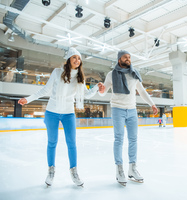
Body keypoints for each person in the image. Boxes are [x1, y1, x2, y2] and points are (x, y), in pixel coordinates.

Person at [18, 47, 104, 187]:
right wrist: (28, 99)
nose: (77, 60)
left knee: (72, 143)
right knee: (52, 142)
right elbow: (45, 89)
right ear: (69, 59)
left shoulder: (80, 78)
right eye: (74, 57)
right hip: (52, 112)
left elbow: (86, 95)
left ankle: (74, 172)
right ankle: (51, 172)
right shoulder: (57, 72)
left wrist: (96, 88)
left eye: (79, 58)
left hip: (68, 113)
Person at [99, 50, 158, 186]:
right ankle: (119, 170)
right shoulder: (111, 74)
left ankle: (132, 168)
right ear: (119, 59)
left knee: (133, 140)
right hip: (117, 109)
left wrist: (152, 104)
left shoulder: (134, 74)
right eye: (125, 57)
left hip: (132, 110)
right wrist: (101, 90)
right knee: (119, 139)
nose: (128, 59)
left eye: (130, 57)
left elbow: (142, 91)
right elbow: (103, 93)